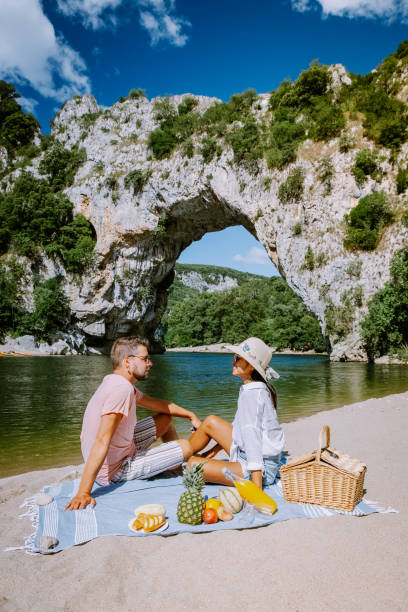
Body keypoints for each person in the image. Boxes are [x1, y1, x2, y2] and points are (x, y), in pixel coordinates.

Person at [65, 336, 199, 510]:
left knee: (165, 419)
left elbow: (158, 404)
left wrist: (190, 415)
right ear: (128, 361)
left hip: (119, 451)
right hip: (114, 470)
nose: (150, 363)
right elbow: (102, 440)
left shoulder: (115, 381)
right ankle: (175, 461)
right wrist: (83, 492)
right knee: (186, 447)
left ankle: (173, 465)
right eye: (145, 359)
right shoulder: (121, 390)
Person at [188, 337, 285, 489]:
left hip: (259, 468)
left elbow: (252, 439)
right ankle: (179, 454)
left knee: (192, 466)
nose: (233, 361)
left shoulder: (252, 394)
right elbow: (239, 430)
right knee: (210, 421)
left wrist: (257, 489)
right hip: (245, 453)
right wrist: (212, 453)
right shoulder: (254, 388)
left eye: (238, 358)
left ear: (252, 366)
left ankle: (182, 459)